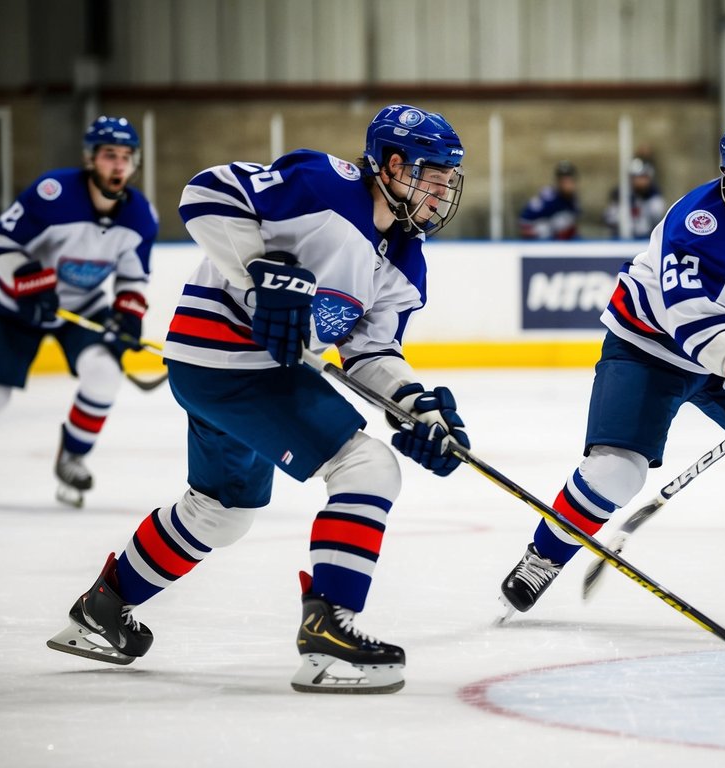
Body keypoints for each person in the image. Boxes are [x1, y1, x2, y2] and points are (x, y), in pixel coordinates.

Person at [45, 104, 472, 695]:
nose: (442, 189)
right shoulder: (325, 185)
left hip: (228, 372)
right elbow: (205, 195)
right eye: (433, 174)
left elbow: (370, 353)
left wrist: (415, 404)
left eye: (449, 179)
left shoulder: (404, 259)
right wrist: (261, 268)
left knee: (222, 512)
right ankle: (331, 632)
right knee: (367, 466)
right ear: (392, 164)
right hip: (230, 358)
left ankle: (102, 608)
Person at [497, 112, 725, 635]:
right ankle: (545, 556)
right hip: (648, 348)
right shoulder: (697, 224)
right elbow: (691, 317)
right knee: (616, 473)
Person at [0, 116, 157, 508]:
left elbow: (133, 277)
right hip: (17, 308)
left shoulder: (141, 215)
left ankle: (72, 455)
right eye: (110, 155)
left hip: (82, 310)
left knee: (105, 373)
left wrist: (130, 316)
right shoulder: (52, 192)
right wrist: (31, 282)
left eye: (127, 157)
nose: (119, 165)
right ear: (91, 158)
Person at [604, 157, 667, 239]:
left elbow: (657, 216)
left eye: (644, 177)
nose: (640, 181)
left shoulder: (654, 198)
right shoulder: (620, 195)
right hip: (621, 238)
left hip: (646, 239)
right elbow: (609, 218)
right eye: (637, 177)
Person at [519, 160, 580, 240]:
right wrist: (543, 232)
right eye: (564, 181)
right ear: (558, 182)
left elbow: (569, 228)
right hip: (542, 242)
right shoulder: (548, 199)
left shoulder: (573, 200)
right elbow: (524, 224)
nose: (567, 185)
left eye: (569, 181)